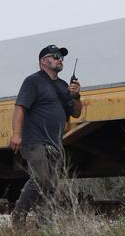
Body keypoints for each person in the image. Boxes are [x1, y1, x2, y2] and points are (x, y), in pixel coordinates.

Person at [9, 43, 81, 224]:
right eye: (56, 56)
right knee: (40, 178)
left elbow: (77, 113)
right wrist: (16, 133)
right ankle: (18, 214)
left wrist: (76, 96)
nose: (60, 59)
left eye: (61, 57)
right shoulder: (33, 81)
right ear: (44, 61)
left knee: (52, 185)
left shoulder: (64, 86)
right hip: (34, 139)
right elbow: (20, 108)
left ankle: (44, 222)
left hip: (55, 142)